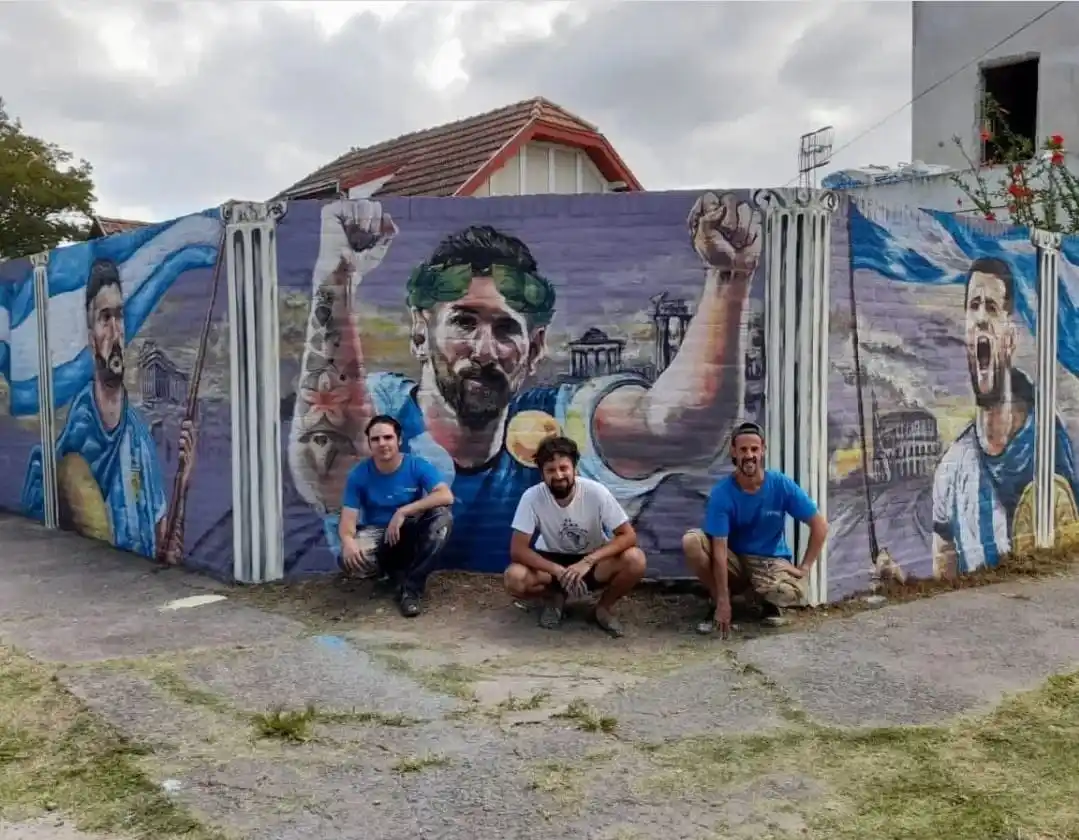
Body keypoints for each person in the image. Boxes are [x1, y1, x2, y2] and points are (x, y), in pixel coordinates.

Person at [288, 192, 763, 575]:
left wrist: (728, 276)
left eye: (506, 329)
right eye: (463, 323)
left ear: (534, 349)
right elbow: (327, 465)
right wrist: (337, 276)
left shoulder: (560, 425)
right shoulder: (379, 411)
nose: (484, 350)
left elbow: (680, 426)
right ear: (420, 331)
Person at [22, 258, 195, 562]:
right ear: (91, 339)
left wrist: (183, 482)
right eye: (105, 318)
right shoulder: (78, 429)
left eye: (119, 317)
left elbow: (165, 547)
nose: (115, 331)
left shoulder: (139, 438)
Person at [932, 257, 1079, 577]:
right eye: (973, 305)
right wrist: (900, 582)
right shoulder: (953, 467)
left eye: (992, 307)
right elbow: (943, 575)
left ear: (1011, 338)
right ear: (967, 335)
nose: (981, 317)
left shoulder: (1048, 442)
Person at [682, 422, 828, 636]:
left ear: (763, 450)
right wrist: (722, 599)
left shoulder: (780, 484)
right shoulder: (722, 492)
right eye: (743, 450)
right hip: (735, 559)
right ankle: (719, 601)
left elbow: (820, 526)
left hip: (768, 561)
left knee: (790, 592)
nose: (749, 455)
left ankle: (765, 601)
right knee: (692, 542)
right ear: (733, 452)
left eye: (754, 449)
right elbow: (720, 550)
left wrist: (804, 568)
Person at [503, 435, 647, 637]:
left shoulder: (596, 492)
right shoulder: (532, 497)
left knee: (636, 559)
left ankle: (603, 608)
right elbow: (518, 550)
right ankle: (554, 598)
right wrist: (557, 571)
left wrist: (589, 561)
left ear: (574, 469)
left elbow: (628, 536)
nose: (559, 475)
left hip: (593, 562)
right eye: (551, 470)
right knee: (514, 578)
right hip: (551, 562)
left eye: (564, 468)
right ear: (542, 473)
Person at [338, 415, 454, 617]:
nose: (382, 443)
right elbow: (348, 522)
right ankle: (391, 574)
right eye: (375, 439)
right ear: (369, 444)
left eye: (387, 437)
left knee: (442, 517)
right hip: (379, 535)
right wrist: (348, 542)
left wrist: (403, 511)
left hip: (411, 531)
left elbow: (445, 495)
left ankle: (411, 588)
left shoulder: (416, 465)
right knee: (348, 561)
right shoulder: (358, 475)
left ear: (398, 440)